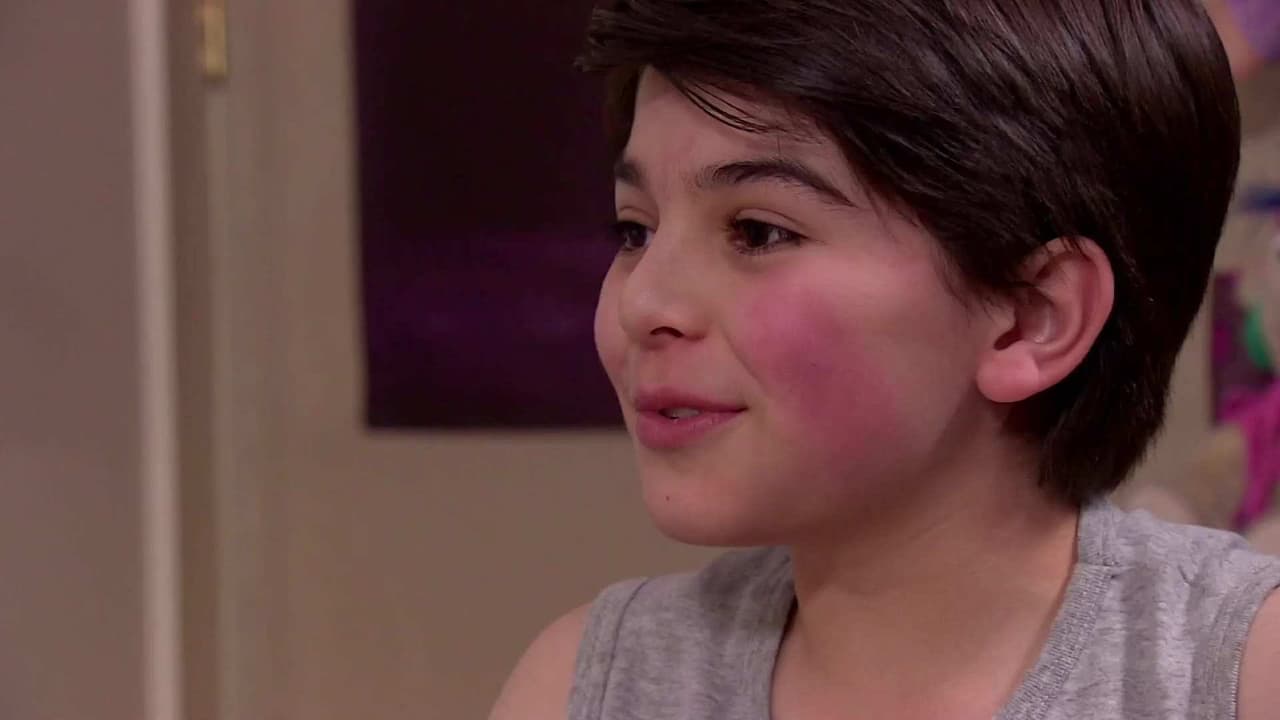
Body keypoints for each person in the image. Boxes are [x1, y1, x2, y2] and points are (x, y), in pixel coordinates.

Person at [491, 2, 1280, 718]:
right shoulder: (586, 686)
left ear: (1031, 318)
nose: (642, 303)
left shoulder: (1238, 675)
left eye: (758, 232)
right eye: (635, 231)